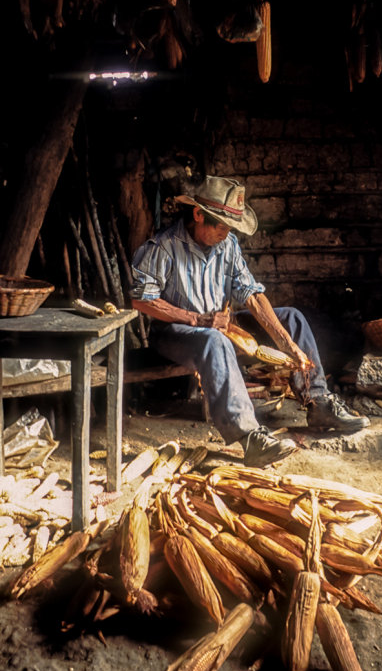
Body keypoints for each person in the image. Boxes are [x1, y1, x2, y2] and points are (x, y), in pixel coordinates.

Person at [130, 175, 369, 467]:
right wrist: (196, 318)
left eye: (230, 227)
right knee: (214, 339)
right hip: (174, 332)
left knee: (292, 318)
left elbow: (251, 295)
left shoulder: (227, 245)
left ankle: (318, 402)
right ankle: (250, 438)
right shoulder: (163, 246)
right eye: (222, 226)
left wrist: (286, 342)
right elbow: (141, 299)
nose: (227, 233)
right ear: (197, 215)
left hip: (218, 325)